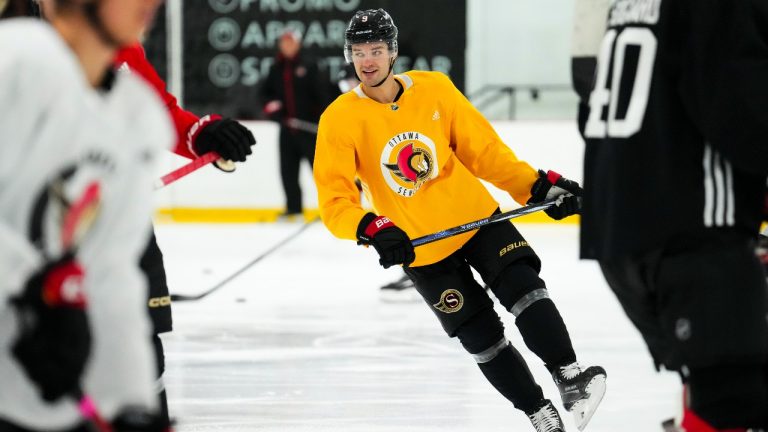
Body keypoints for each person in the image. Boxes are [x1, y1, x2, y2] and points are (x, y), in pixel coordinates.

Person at [314, 9, 607, 431]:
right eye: (359, 52)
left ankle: (570, 377)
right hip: (421, 250)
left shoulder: (435, 89)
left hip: (478, 221)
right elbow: (335, 202)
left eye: (376, 50)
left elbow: (485, 153)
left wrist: (537, 187)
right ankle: (539, 414)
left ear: (393, 51)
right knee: (481, 338)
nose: (368, 61)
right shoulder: (339, 118)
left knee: (526, 289)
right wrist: (372, 228)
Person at [579, 0, 768, 430]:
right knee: (731, 400)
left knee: (723, 381)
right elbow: (745, 116)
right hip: (694, 236)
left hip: (622, 232)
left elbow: (588, 111)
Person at [0, 0, 173, 430]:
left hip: (48, 402)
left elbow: (112, 274)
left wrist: (129, 402)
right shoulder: (14, 62)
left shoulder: (137, 117)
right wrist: (33, 286)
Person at [113, 41, 256, 422]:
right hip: (34, 232)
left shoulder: (119, 42)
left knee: (140, 356)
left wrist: (201, 134)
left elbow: (158, 113)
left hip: (120, 225)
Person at [260, 29, 331, 220]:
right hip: (287, 129)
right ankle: (293, 208)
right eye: (283, 42)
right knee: (288, 170)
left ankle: (330, 209)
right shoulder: (276, 68)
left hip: (309, 130)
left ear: (298, 43)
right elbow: (266, 95)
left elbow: (323, 95)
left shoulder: (310, 65)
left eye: (290, 42)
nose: (286, 46)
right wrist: (274, 110)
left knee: (320, 173)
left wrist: (321, 120)